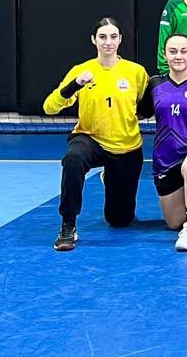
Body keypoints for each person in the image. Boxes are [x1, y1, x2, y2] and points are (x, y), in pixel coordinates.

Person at [43, 17, 148, 251]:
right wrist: (74, 85)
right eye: (102, 37)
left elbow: (146, 107)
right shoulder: (81, 70)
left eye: (113, 37)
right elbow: (49, 107)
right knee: (73, 159)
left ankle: (111, 175)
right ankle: (68, 224)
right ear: (94, 40)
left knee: (119, 220)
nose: (108, 42)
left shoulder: (136, 72)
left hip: (126, 146)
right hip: (90, 139)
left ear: (120, 40)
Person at [137, 34, 187, 251]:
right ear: (165, 55)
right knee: (174, 223)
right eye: (173, 51)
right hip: (165, 159)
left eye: (184, 51)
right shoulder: (155, 84)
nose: (178, 56)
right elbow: (139, 113)